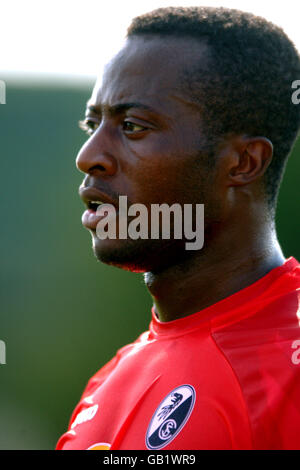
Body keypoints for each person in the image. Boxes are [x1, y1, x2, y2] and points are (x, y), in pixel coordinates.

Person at [56, 6, 300, 450]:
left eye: (132, 126)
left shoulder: (288, 373)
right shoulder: (110, 379)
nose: (88, 155)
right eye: (93, 124)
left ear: (243, 163)